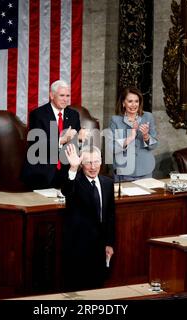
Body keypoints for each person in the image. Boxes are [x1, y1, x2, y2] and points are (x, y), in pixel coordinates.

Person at [62, 144, 115, 291]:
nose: (93, 167)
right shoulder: (76, 182)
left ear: (101, 161)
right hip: (78, 249)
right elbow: (66, 190)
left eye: (96, 161)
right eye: (88, 162)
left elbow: (110, 216)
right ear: (81, 164)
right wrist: (73, 168)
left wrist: (110, 243)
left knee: (98, 289)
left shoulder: (107, 183)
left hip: (100, 249)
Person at [21, 80, 87, 190]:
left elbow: (75, 144)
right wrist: (62, 140)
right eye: (62, 95)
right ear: (52, 96)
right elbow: (36, 145)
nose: (65, 99)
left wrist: (80, 139)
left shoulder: (73, 115)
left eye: (67, 96)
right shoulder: (38, 114)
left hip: (66, 172)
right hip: (41, 171)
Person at [109, 86, 158, 182]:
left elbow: (154, 145)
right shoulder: (115, 120)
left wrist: (146, 137)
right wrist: (129, 138)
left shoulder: (148, 117)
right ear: (123, 103)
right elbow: (111, 148)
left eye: (136, 101)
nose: (133, 105)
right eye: (130, 101)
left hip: (145, 170)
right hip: (124, 171)